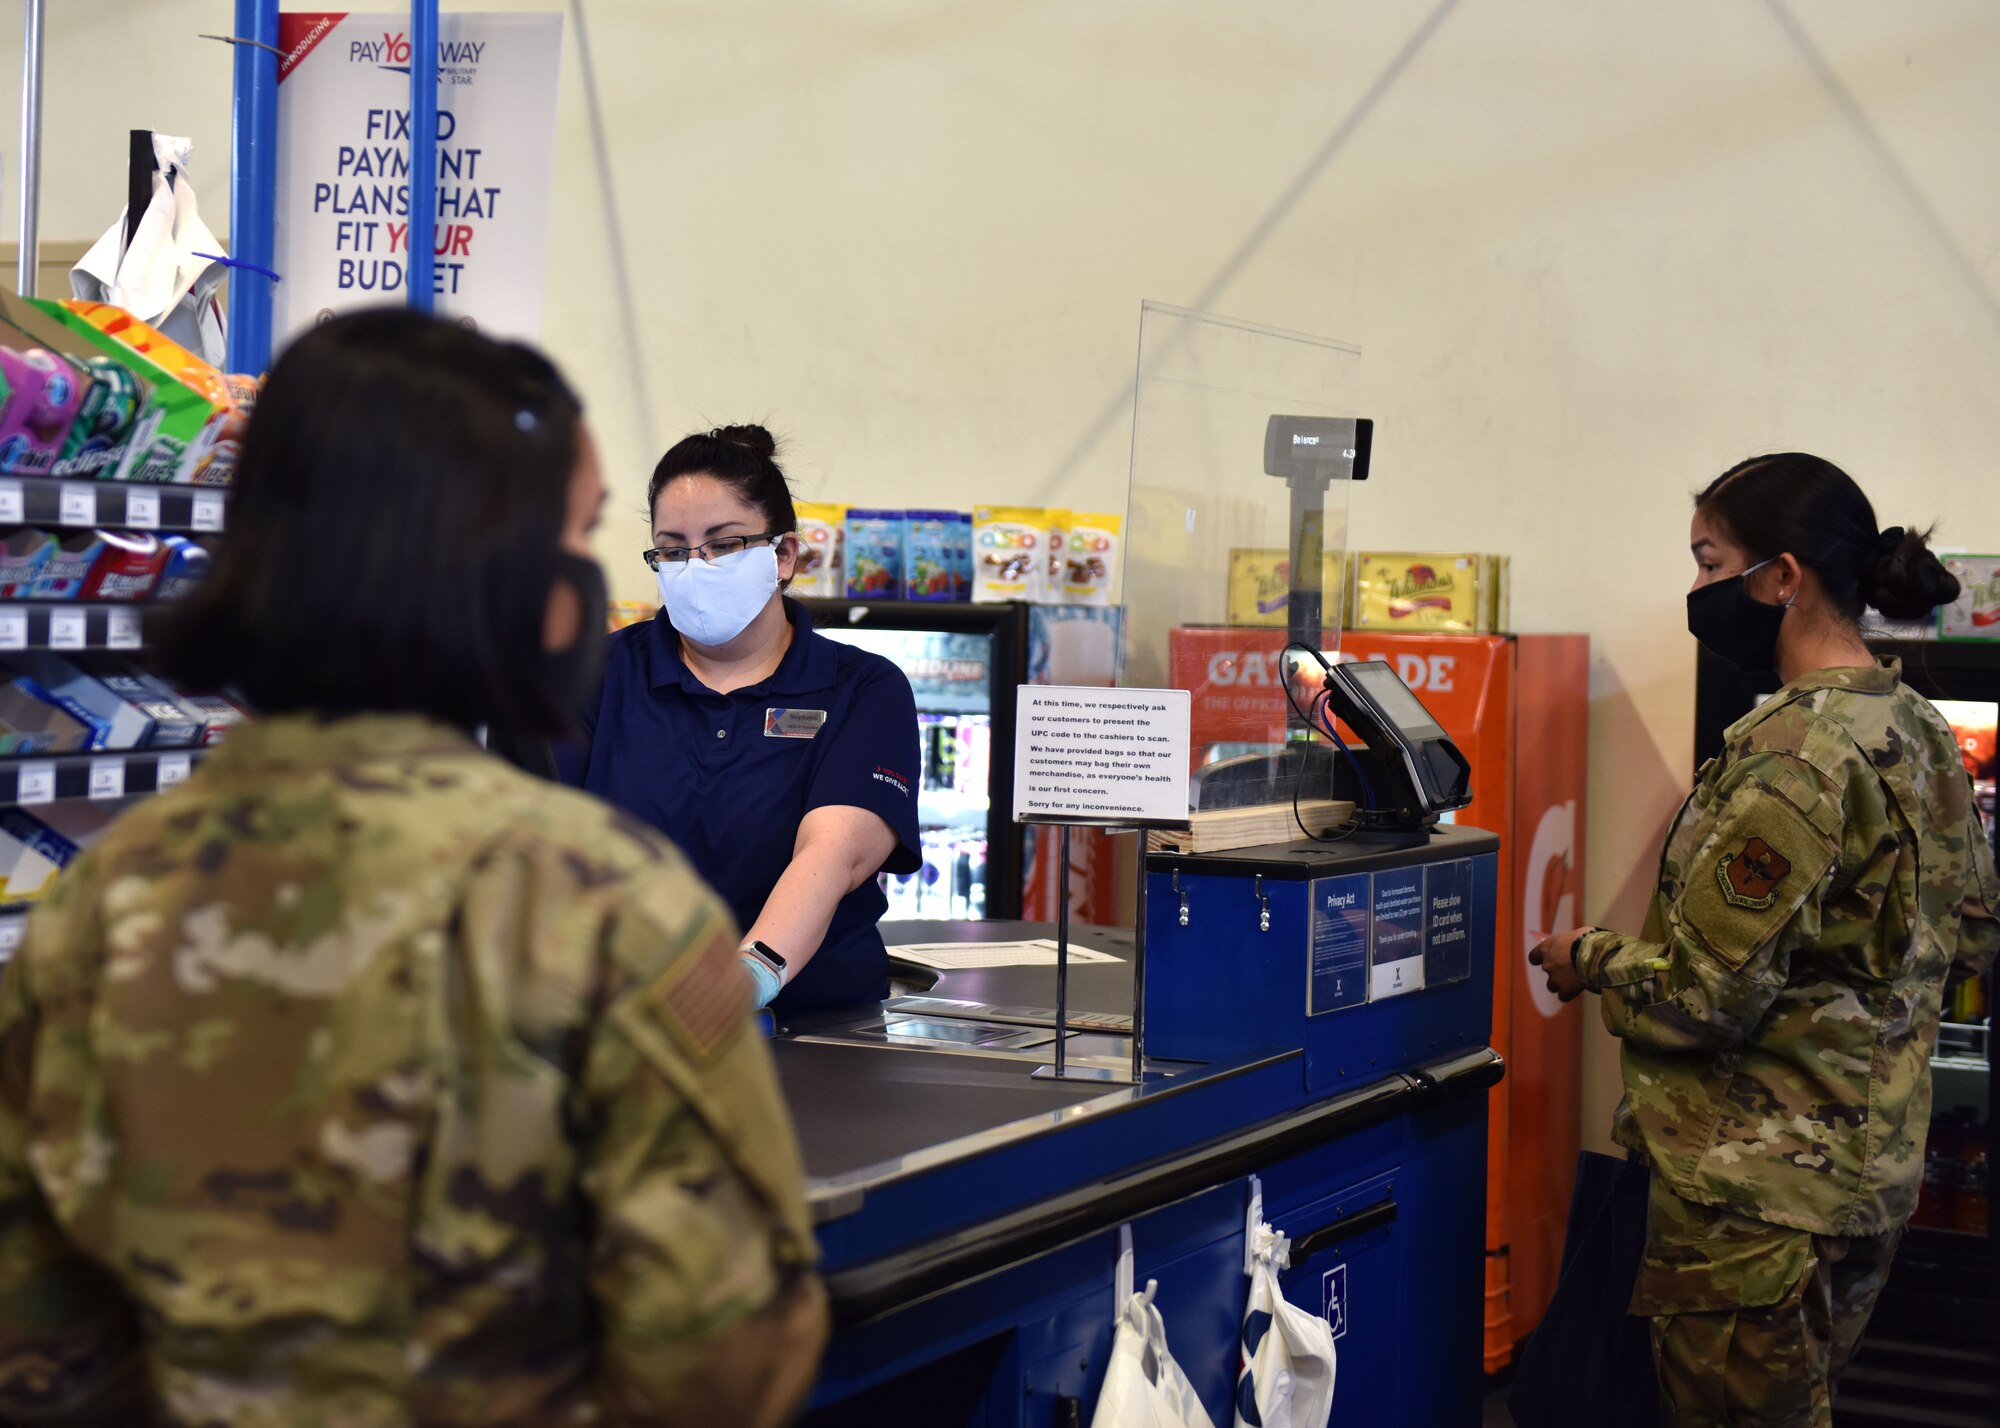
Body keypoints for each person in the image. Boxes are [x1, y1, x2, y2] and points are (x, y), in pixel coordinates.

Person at [0, 312, 827, 1428]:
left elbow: (36, 1334)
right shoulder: (605, 909)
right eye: (570, 537)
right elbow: (730, 1358)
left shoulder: (104, 899)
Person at [1531, 452, 2000, 1427]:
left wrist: (1588, 958)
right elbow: (1974, 936)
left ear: (1780, 577)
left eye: (1708, 562)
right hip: (1863, 1183)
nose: (1697, 589)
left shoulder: (1791, 753)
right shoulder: (1913, 725)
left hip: (1751, 1201)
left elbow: (1706, 996)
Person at [560, 425, 921, 1015]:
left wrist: (748, 976)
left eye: (723, 545)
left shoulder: (863, 689)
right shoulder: (596, 677)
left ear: (783, 554)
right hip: (620, 1031)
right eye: (673, 550)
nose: (694, 567)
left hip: (818, 1035)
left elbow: (832, 857)